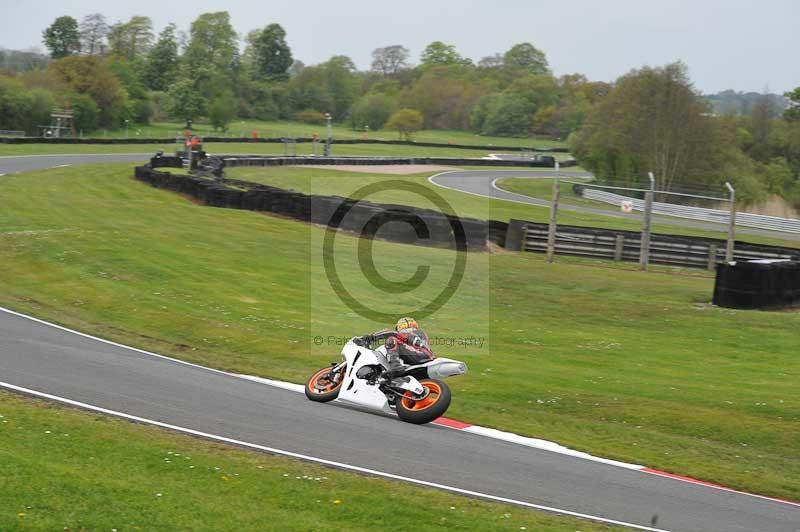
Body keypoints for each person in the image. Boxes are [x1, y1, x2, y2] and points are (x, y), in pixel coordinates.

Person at [357, 317, 434, 379]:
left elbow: (389, 332)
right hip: (427, 358)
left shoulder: (408, 333)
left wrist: (369, 338)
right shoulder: (420, 334)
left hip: (419, 355)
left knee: (391, 339)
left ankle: (396, 366)